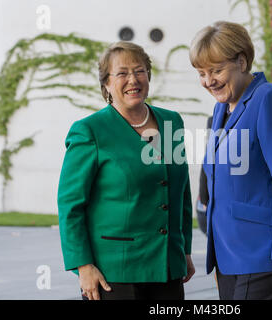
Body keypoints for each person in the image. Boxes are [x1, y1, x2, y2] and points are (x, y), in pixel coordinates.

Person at [189, 21, 272, 300]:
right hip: (230, 257)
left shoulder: (269, 100)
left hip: (266, 255)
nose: (208, 81)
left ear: (242, 61)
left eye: (216, 70)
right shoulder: (221, 107)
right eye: (202, 73)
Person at [57, 41, 195, 300]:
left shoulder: (171, 121)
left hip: (167, 267)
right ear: (107, 84)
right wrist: (83, 266)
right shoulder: (89, 130)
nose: (133, 79)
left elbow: (181, 192)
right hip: (114, 274)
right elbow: (70, 205)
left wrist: (184, 250)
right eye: (122, 73)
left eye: (139, 71)